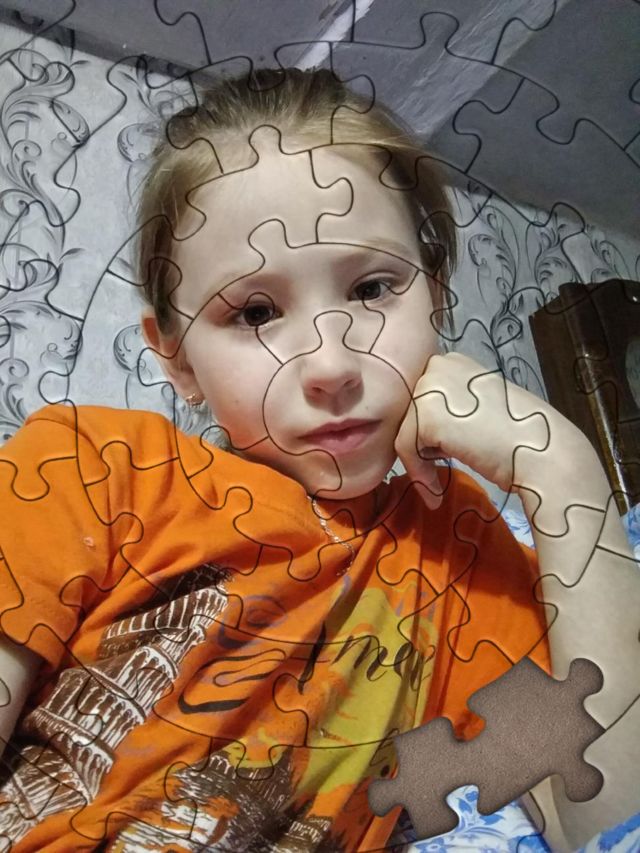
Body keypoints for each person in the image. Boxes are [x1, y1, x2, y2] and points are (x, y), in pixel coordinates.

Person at [0, 67, 637, 853]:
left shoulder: (458, 553)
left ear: (435, 299)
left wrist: (562, 469)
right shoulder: (86, 466)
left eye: (371, 289)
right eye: (255, 311)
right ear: (179, 360)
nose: (331, 364)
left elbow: (600, 821)